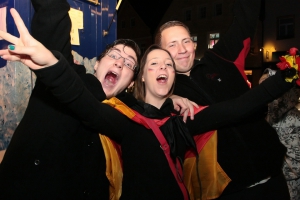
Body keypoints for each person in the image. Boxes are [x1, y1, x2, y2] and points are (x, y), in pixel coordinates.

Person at [0, 8, 294, 199]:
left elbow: (238, 107)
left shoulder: (183, 119)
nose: (164, 67)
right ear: (140, 78)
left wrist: (288, 76)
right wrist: (51, 64)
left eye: (167, 64)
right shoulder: (126, 120)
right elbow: (81, 102)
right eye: (153, 63)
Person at [0, 2, 195, 199]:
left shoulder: (128, 116)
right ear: (97, 64)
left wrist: (171, 97)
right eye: (114, 55)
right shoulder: (65, 74)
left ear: (130, 82)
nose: (119, 63)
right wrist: (53, 65)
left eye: (129, 64)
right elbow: (54, 26)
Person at [154, 0, 292, 199]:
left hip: (273, 179)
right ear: (162, 52)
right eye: (172, 45)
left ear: (194, 44)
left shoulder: (220, 58)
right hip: (227, 192)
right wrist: (169, 97)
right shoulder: (165, 93)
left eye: (186, 40)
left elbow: (245, 19)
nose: (182, 49)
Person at [260, 67, 300, 200]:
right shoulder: (270, 115)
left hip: (289, 188)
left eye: (266, 89)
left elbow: (295, 166)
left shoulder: (294, 120)